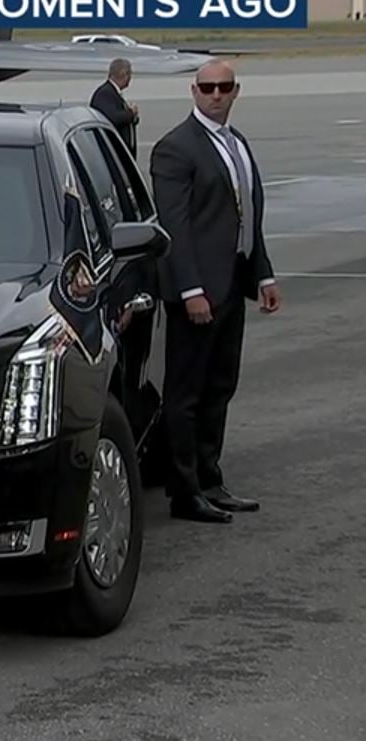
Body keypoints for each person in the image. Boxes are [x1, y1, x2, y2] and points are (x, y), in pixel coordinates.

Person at [149, 58, 281, 524]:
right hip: (198, 293)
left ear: (236, 90)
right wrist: (191, 290)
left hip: (232, 285)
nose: (216, 95)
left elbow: (247, 218)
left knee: (220, 387)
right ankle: (184, 492)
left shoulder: (236, 143)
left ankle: (210, 479)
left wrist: (262, 275)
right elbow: (175, 227)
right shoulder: (175, 149)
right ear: (194, 91)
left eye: (224, 87)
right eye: (208, 88)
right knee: (186, 394)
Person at [90, 58, 140, 157]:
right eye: (129, 74)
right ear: (124, 74)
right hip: (113, 152)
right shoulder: (105, 93)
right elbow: (113, 118)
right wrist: (131, 113)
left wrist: (133, 118)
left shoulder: (114, 93)